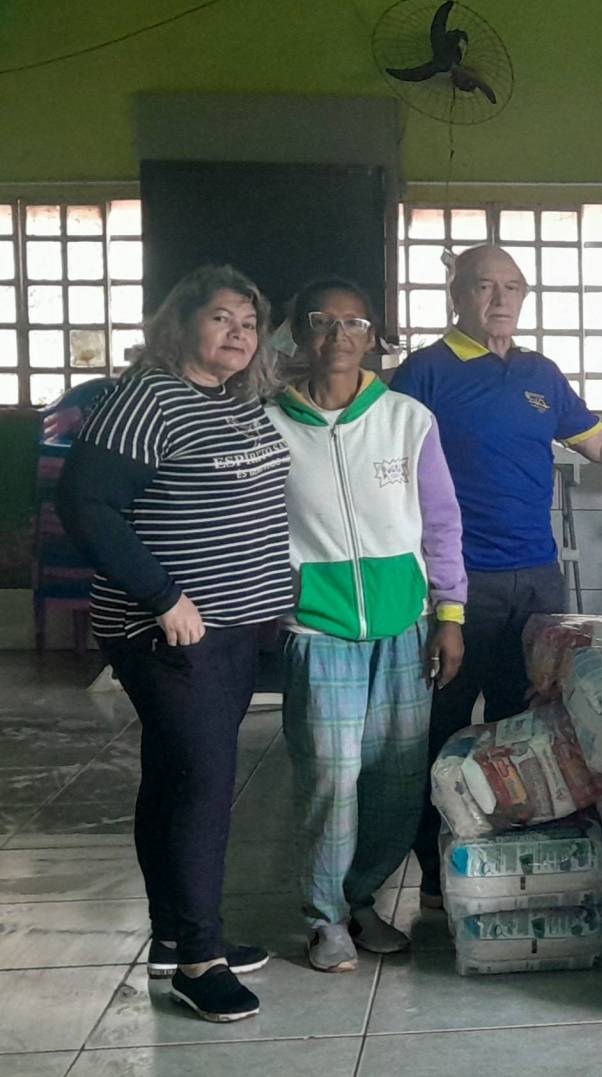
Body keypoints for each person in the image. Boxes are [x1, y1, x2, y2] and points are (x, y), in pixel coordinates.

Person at [390, 243, 602, 903]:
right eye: (485, 285)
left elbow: (600, 443)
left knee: (526, 725)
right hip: (458, 581)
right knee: (443, 725)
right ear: (457, 294)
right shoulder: (425, 372)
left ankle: (509, 857)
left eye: (513, 287)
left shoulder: (540, 373)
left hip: (537, 576)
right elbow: (389, 468)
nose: (500, 299)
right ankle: (433, 869)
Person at [56, 265, 291, 1023]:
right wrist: (163, 597)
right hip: (173, 632)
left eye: (248, 323)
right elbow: (85, 504)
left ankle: (175, 934)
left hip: (229, 630)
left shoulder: (230, 401)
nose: (237, 333)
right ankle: (199, 959)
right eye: (221, 317)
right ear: (181, 323)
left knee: (175, 778)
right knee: (201, 786)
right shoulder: (148, 397)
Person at [266, 279, 467, 973]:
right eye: (323, 320)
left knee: (396, 780)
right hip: (317, 631)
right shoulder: (268, 425)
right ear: (299, 334)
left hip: (403, 626)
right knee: (330, 775)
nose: (339, 335)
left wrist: (449, 614)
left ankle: (359, 900)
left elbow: (441, 524)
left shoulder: (407, 419)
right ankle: (323, 917)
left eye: (355, 323)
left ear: (373, 338)